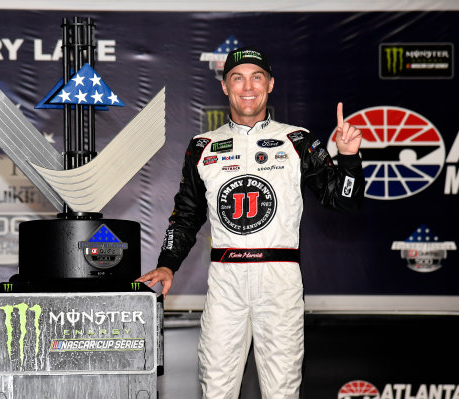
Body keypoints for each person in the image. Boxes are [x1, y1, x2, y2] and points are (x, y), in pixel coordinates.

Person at [136, 47, 364, 399]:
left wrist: (349, 159)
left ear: (270, 84)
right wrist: (167, 265)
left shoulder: (298, 140)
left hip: (280, 279)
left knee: (282, 390)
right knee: (216, 388)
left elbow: (343, 201)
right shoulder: (203, 146)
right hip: (226, 282)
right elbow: (186, 216)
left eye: (256, 77)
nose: (247, 87)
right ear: (225, 86)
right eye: (237, 78)